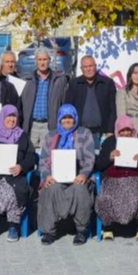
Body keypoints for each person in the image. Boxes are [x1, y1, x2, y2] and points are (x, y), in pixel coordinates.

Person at [37, 104, 97, 245]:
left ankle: (81, 230)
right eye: (64, 118)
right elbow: (43, 161)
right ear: (59, 119)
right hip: (56, 178)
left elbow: (90, 158)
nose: (67, 121)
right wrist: (47, 176)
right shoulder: (51, 135)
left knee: (79, 189)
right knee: (51, 188)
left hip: (77, 177)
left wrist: (84, 174)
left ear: (75, 118)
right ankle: (49, 232)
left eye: (70, 117)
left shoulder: (84, 133)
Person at [0, 105, 38, 243]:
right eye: (8, 116)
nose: (11, 119)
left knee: (15, 191)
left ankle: (13, 226)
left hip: (15, 176)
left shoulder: (22, 136)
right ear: (2, 118)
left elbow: (31, 156)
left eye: (14, 116)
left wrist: (21, 166)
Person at [94, 115, 138, 240]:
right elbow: (99, 165)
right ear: (117, 130)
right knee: (105, 197)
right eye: (122, 131)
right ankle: (108, 227)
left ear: (132, 129)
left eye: (128, 130)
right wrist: (110, 157)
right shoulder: (109, 142)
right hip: (114, 178)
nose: (125, 133)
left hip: (137, 178)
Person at [21, 47, 69, 151]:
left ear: (49, 60)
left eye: (45, 59)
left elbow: (64, 102)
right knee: (29, 154)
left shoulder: (59, 80)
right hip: (32, 126)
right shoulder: (27, 80)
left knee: (47, 156)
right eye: (40, 59)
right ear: (36, 61)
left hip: (49, 125)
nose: (42, 62)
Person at [64, 55, 117, 138]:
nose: (88, 69)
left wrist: (110, 130)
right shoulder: (74, 84)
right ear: (81, 69)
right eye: (85, 67)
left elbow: (112, 109)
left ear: (95, 67)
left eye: (90, 66)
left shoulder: (107, 83)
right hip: (79, 131)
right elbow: (68, 108)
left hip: (102, 133)